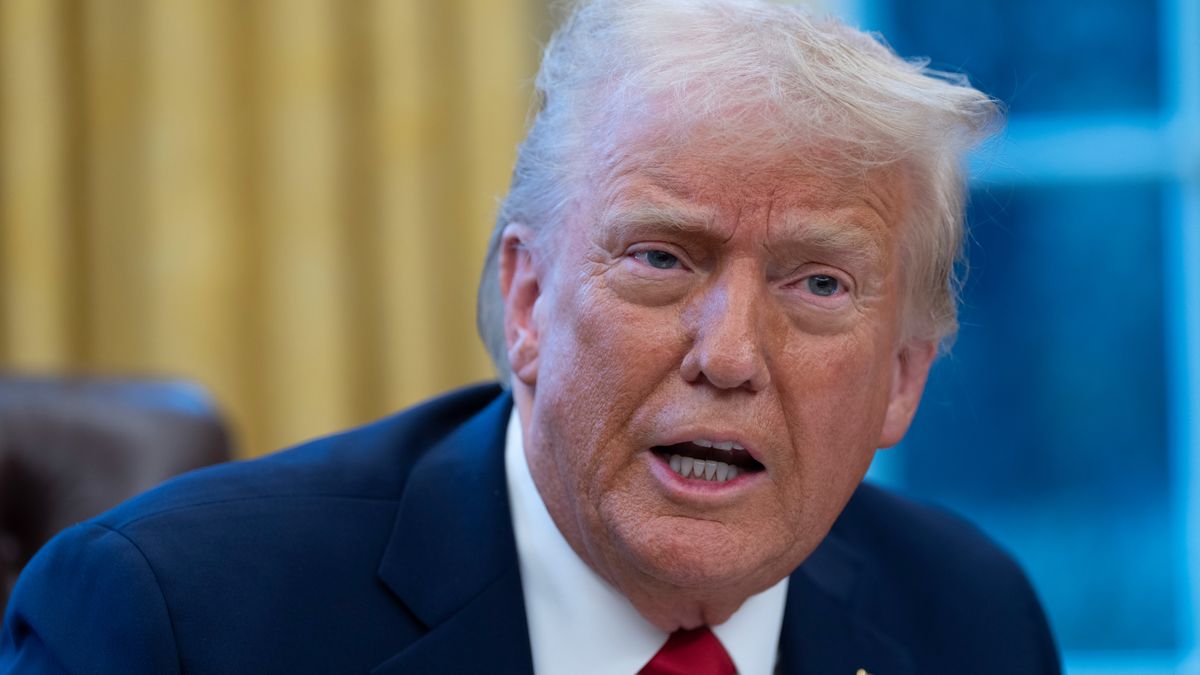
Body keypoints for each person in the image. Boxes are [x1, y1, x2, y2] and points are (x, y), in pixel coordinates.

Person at [0, 1, 1061, 673]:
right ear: (526, 303)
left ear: (902, 382)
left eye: (819, 283)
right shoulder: (167, 621)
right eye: (661, 257)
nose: (730, 355)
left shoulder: (971, 620)